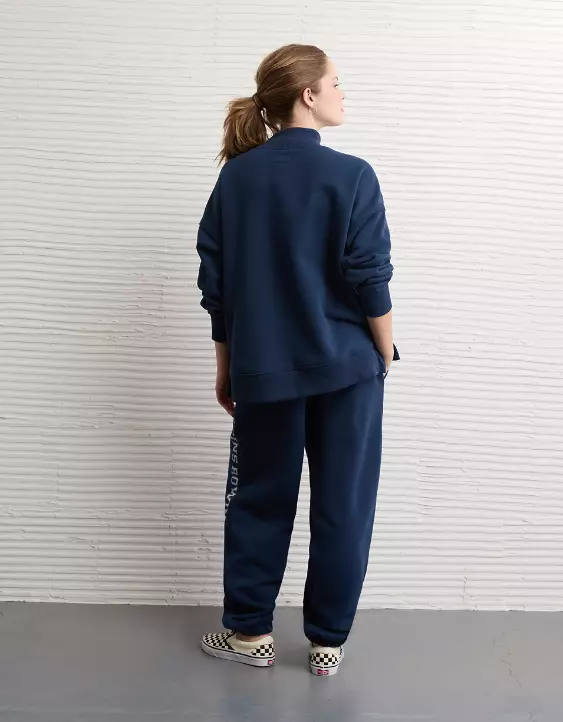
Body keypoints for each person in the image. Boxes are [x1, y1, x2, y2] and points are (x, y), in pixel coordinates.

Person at [196, 43, 398, 677]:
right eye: (336, 82)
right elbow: (369, 275)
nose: (343, 93)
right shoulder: (353, 175)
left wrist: (226, 366)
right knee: (344, 505)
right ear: (308, 95)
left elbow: (216, 286)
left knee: (259, 499)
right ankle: (327, 645)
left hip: (263, 370)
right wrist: (384, 349)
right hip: (347, 371)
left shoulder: (237, 178)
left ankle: (250, 634)